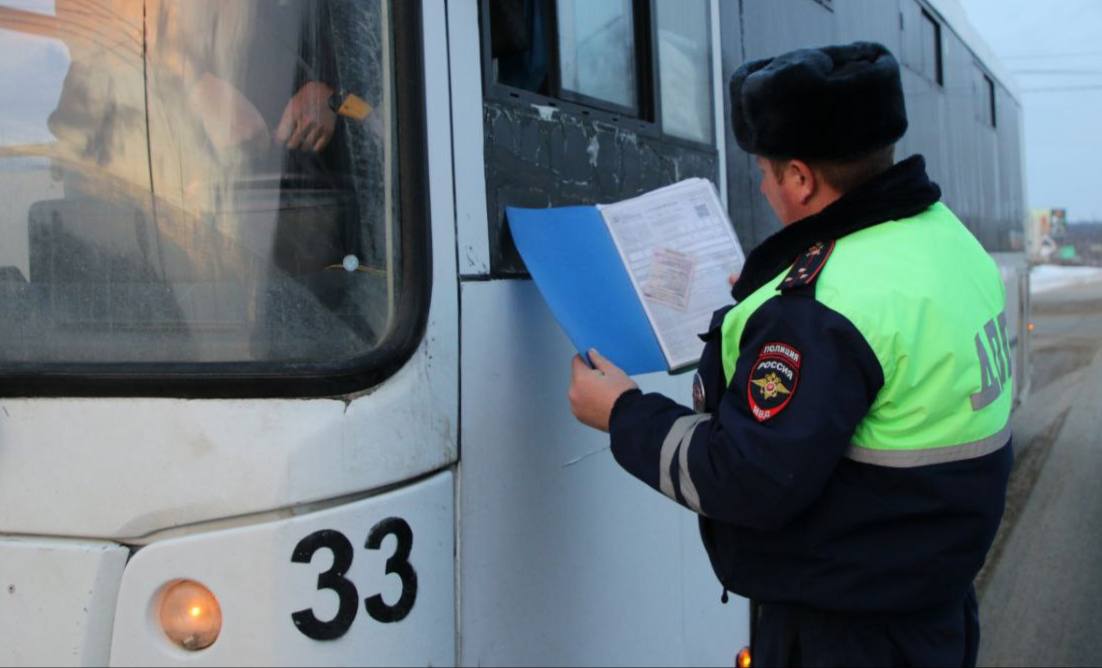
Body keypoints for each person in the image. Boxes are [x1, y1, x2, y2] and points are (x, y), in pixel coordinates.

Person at [568, 42, 1012, 667]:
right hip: (932, 608)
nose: (761, 184)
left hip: (847, 635)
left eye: (765, 170)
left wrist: (621, 412)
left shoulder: (822, 310)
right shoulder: (944, 238)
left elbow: (745, 479)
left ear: (801, 179)